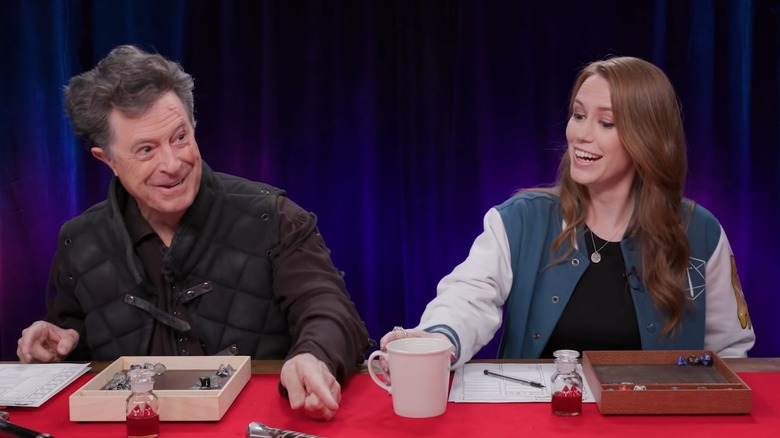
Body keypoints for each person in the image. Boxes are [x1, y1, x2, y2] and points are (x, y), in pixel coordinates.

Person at [16, 44, 370, 421]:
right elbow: (75, 337)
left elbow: (329, 309)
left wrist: (312, 356)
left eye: (180, 137)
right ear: (108, 159)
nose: (173, 163)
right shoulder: (80, 242)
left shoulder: (275, 217)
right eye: (147, 149)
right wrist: (57, 345)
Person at [380, 56, 755, 366]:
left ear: (648, 139)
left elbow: (729, 351)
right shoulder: (519, 220)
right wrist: (438, 340)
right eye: (578, 115)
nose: (581, 134)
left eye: (605, 122)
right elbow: (468, 297)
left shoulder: (701, 233)